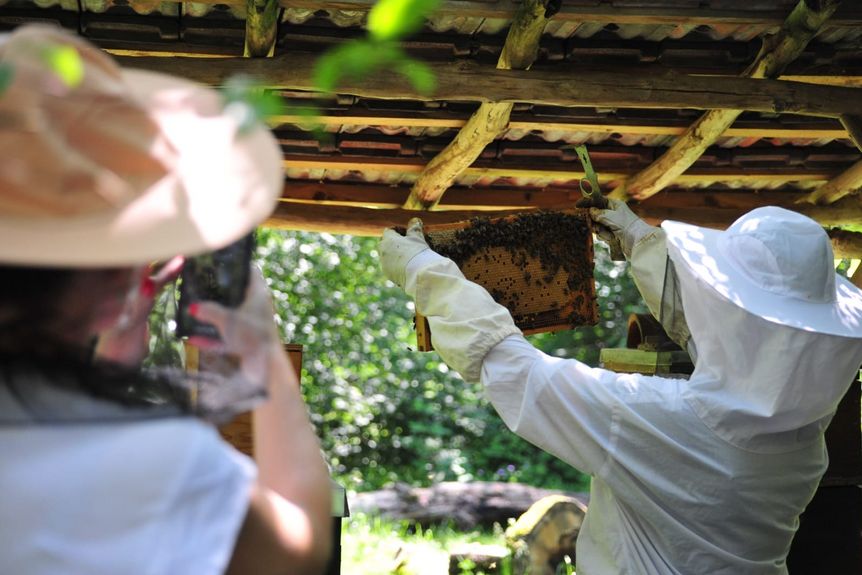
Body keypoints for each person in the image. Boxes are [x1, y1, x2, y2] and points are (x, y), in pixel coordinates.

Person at [0, 25, 331, 574]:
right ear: (113, 278)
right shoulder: (163, 465)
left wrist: (113, 350)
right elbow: (298, 546)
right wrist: (266, 352)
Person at [379, 201, 862, 574]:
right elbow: (718, 338)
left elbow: (517, 371)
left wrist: (423, 270)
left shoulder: (661, 422)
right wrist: (639, 242)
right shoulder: (803, 441)